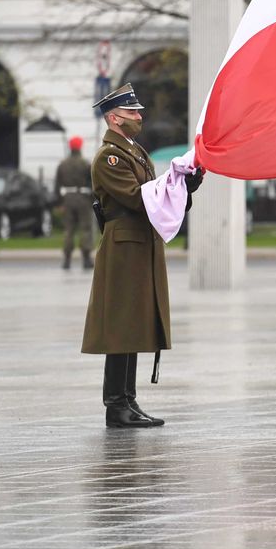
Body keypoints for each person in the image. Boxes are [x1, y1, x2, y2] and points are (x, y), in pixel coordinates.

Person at [81, 83, 203, 428]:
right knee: (121, 326)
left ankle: (128, 400)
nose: (139, 117)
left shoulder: (134, 151)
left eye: (138, 112)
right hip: (123, 245)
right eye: (132, 112)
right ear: (113, 118)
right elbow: (137, 198)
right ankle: (115, 404)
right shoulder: (110, 157)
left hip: (139, 242)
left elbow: (151, 196)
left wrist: (183, 187)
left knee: (133, 325)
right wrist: (174, 186)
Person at [55, 135, 95, 270]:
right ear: (80, 147)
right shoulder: (85, 163)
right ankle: (86, 259)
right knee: (85, 228)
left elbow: (57, 185)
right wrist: (92, 200)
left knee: (68, 230)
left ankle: (66, 260)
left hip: (68, 198)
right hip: (83, 198)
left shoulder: (63, 164)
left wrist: (59, 203)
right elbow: (92, 183)